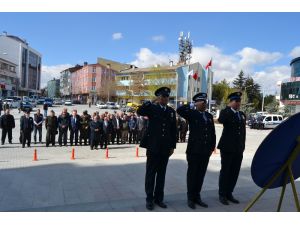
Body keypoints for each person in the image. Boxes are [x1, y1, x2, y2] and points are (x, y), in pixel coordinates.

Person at [137, 87, 177, 211]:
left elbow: (173, 130)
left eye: (167, 96)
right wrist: (150, 102)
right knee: (150, 174)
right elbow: (140, 111)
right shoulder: (152, 108)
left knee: (161, 175)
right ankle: (149, 199)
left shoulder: (171, 111)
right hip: (153, 147)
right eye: (163, 96)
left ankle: (159, 199)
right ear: (159, 97)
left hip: (165, 148)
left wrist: (172, 146)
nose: (165, 98)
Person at [177, 93, 216, 209]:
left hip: (205, 151)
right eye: (201, 102)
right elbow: (180, 110)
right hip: (194, 151)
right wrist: (191, 104)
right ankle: (190, 198)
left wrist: (212, 147)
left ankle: (197, 196)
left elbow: (212, 133)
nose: (204, 104)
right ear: (197, 103)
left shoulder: (209, 116)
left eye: (205, 102)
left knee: (201, 175)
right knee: (192, 175)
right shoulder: (192, 114)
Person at [217, 91, 246, 205]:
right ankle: (222, 194)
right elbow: (221, 120)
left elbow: (242, 132)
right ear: (231, 102)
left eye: (239, 101)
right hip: (227, 148)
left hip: (238, 149)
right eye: (236, 101)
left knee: (234, 172)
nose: (239, 103)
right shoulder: (226, 112)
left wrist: (242, 146)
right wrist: (228, 108)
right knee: (226, 171)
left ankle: (229, 193)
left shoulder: (241, 114)